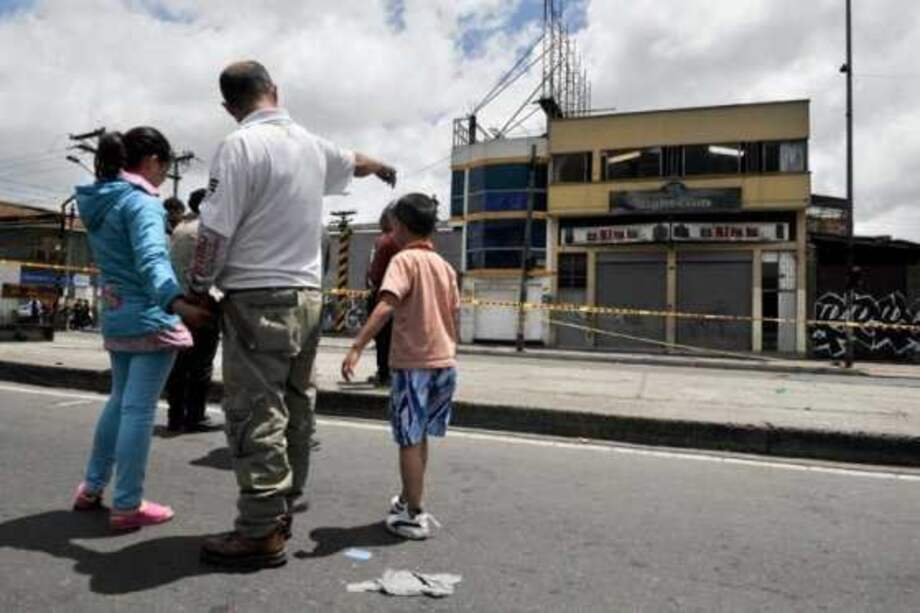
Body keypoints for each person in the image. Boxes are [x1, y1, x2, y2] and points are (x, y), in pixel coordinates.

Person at [189, 60, 396, 568]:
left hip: (258, 297)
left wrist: (196, 288)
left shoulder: (238, 146)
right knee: (297, 402)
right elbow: (358, 161)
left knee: (256, 409)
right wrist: (384, 165)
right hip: (307, 298)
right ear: (274, 91)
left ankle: (260, 530)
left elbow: (213, 231)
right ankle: (287, 498)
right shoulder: (311, 144)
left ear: (228, 106)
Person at [71, 127, 210, 532]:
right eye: (164, 168)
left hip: (116, 314)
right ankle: (128, 503)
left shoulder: (100, 200)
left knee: (119, 402)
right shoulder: (141, 203)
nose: (164, 177)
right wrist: (177, 303)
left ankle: (92, 487)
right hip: (150, 315)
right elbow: (152, 260)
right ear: (152, 161)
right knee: (138, 410)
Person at [342, 193, 459, 540]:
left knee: (408, 439)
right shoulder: (445, 266)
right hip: (444, 363)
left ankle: (414, 513)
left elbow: (385, 305)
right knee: (420, 436)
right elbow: (454, 314)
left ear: (400, 226)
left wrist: (356, 346)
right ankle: (410, 496)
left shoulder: (403, 261)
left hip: (413, 365)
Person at [164, 188, 220, 433]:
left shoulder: (179, 229)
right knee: (201, 364)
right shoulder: (207, 231)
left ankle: (175, 415)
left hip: (178, 303)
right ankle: (195, 416)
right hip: (201, 304)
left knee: (179, 363)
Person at [364, 203, 399, 387]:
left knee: (383, 337)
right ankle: (386, 372)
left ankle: (384, 373)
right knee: (387, 337)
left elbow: (375, 270)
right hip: (389, 294)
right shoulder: (393, 240)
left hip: (381, 295)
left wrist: (373, 285)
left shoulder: (385, 241)